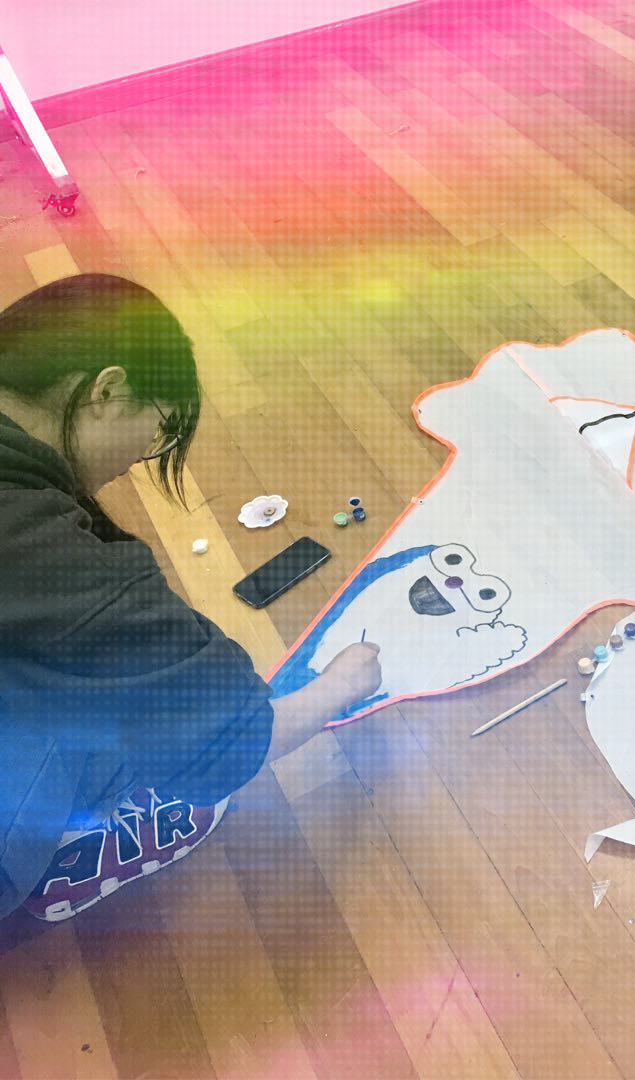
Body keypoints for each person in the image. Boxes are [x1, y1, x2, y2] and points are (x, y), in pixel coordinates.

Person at [0, 274, 380, 923]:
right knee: (118, 719)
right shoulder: (71, 576)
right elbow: (235, 739)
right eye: (155, 430)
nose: (141, 457)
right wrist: (343, 683)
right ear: (107, 390)